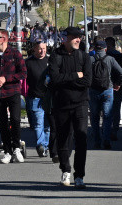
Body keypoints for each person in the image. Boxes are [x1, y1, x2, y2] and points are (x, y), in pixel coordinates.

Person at [48, 27, 92, 189]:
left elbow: (87, 81)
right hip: (61, 105)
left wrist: (66, 80)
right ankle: (65, 170)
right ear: (65, 38)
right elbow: (55, 79)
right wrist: (75, 75)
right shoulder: (56, 56)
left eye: (79, 37)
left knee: (81, 140)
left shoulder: (84, 57)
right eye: (74, 37)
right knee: (63, 139)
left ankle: (79, 175)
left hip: (80, 104)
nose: (78, 40)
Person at [0, 29, 27, 164]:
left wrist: (5, 78)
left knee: (15, 119)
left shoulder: (15, 54)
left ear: (5, 39)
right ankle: (7, 151)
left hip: (13, 91)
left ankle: (16, 148)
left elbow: (23, 73)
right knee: (3, 122)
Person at [89, 40, 122, 149]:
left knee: (94, 117)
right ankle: (106, 139)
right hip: (108, 90)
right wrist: (118, 84)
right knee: (107, 116)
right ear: (105, 49)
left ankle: (96, 141)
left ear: (95, 49)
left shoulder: (90, 59)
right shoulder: (110, 59)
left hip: (93, 90)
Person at [25, 39, 51, 158]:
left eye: (44, 49)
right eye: (40, 49)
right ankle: (40, 145)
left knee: (48, 125)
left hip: (49, 97)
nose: (42, 51)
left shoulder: (50, 61)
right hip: (35, 97)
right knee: (38, 123)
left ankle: (45, 146)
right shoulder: (28, 62)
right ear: (34, 48)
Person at [105, 36, 122, 141]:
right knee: (116, 108)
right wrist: (120, 83)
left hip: (105, 85)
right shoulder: (120, 56)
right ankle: (114, 129)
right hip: (118, 85)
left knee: (106, 110)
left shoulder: (104, 56)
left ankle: (106, 130)